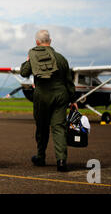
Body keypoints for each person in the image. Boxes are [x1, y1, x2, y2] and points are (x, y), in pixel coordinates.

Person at [20, 30, 77, 172]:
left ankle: (41, 157)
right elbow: (69, 82)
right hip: (60, 96)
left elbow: (24, 72)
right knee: (59, 128)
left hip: (42, 96)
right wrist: (73, 100)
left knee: (42, 128)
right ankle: (61, 161)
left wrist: (29, 59)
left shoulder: (34, 56)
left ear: (37, 42)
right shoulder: (61, 58)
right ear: (50, 41)